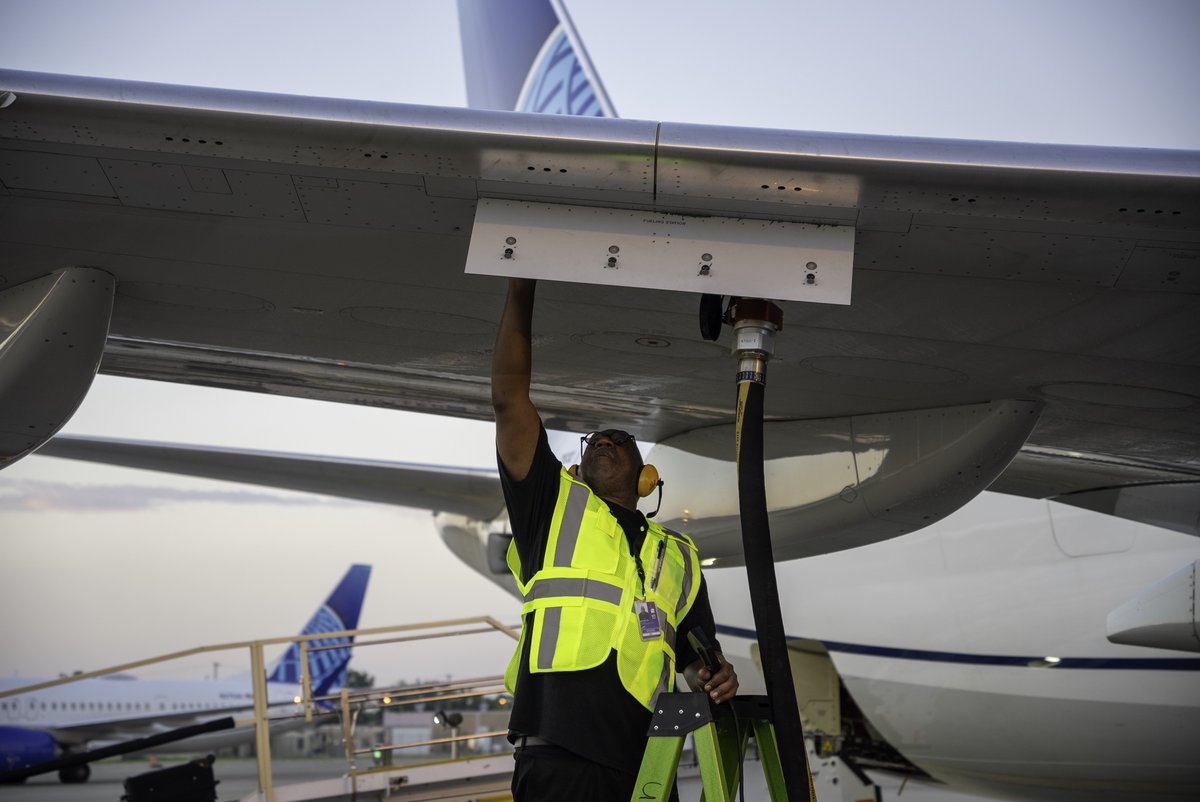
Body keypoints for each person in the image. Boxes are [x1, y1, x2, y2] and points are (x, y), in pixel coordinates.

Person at [492, 278, 738, 802]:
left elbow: (696, 654)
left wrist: (715, 676)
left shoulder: (679, 556)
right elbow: (510, 401)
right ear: (578, 468)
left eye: (619, 439)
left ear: (645, 475)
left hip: (650, 757)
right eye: (595, 440)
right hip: (559, 753)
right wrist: (521, 287)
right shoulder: (551, 509)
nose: (605, 440)